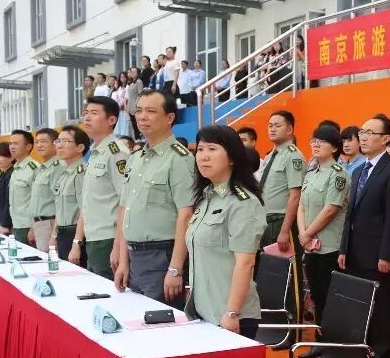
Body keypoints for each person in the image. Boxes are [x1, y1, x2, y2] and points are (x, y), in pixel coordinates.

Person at [339, 113, 390, 358]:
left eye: (370, 133)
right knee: (364, 311)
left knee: (382, 313)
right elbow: (350, 214)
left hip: (378, 255)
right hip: (355, 252)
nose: (364, 137)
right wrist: (344, 248)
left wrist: (386, 255)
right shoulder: (359, 171)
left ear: (386, 139)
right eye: (362, 132)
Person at [115, 89, 197, 306]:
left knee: (159, 321)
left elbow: (186, 214)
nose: (142, 117)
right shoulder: (135, 159)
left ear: (169, 118)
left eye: (151, 111)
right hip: (133, 256)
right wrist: (123, 261)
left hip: (162, 256)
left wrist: (175, 268)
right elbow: (125, 210)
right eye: (139, 111)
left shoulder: (179, 159)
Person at [185, 125, 267, 339]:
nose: (203, 156)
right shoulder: (206, 197)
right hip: (204, 312)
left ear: (231, 158)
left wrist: (231, 312)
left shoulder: (243, 203)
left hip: (230, 317)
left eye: (212, 149)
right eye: (200, 150)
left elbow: (245, 263)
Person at [297, 124, 350, 324]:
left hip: (329, 247)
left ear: (335, 148)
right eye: (314, 141)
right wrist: (303, 234)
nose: (316, 144)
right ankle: (320, 337)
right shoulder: (311, 173)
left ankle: (331, 338)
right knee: (317, 296)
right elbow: (301, 206)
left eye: (322, 141)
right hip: (310, 246)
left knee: (330, 297)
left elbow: (330, 210)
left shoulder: (338, 174)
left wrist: (307, 234)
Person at [260, 110, 307, 317]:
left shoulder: (293, 156)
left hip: (282, 223)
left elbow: (295, 196)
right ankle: (274, 323)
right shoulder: (270, 156)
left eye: (277, 125)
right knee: (271, 277)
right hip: (266, 222)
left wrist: (285, 230)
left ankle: (292, 326)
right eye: (270, 125)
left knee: (288, 277)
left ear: (289, 130)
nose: (272, 129)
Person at [73, 97, 126, 275]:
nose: (87, 118)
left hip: (109, 238)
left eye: (94, 113)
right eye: (86, 113)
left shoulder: (117, 153)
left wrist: (118, 245)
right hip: (93, 237)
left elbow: (126, 201)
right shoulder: (96, 153)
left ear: (111, 120)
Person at [52, 126, 90, 265]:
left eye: (65, 141)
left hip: (76, 234)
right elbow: (59, 209)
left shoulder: (82, 172)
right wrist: (54, 235)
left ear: (80, 147)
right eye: (58, 141)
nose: (59, 145)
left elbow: (84, 209)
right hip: (62, 234)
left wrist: (76, 243)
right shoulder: (65, 173)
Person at [27, 128, 62, 251]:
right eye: (36, 142)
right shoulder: (42, 168)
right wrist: (32, 227)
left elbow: (60, 203)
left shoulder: (58, 167)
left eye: (43, 141)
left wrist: (54, 234)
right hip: (39, 224)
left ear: (55, 143)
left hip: (50, 224)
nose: (39, 145)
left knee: (50, 260)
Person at [6, 130, 39, 245]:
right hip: (16, 224)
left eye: (16, 143)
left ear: (28, 146)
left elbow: (38, 200)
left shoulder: (34, 168)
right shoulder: (16, 168)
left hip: (28, 226)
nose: (12, 147)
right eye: (10, 144)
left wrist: (33, 228)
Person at [0, 142, 15, 236]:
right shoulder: (4, 174)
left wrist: (5, 224)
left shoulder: (12, 174)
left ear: (11, 157)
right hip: (0, 220)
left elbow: (9, 201)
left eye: (1, 156)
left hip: (8, 224)